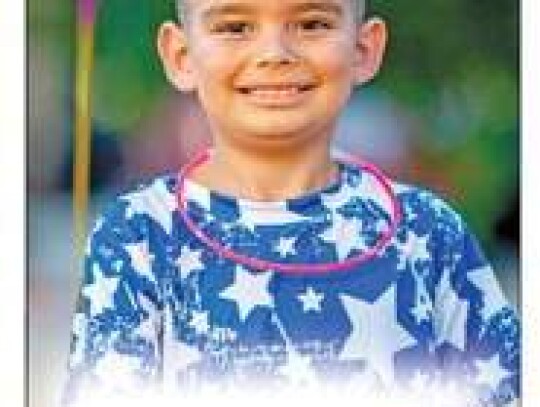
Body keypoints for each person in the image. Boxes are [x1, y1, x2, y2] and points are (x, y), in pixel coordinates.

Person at [62, 0, 520, 405]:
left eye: (312, 23)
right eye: (235, 27)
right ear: (181, 56)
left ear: (365, 48)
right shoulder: (140, 235)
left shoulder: (427, 232)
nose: (275, 53)